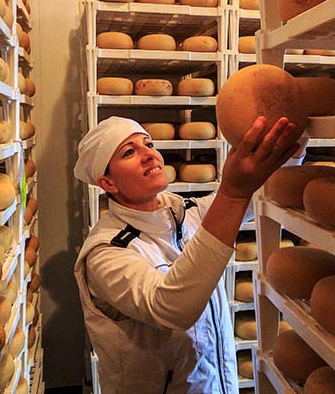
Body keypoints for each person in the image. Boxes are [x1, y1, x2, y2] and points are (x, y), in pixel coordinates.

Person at [73, 115, 306, 393]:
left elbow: (257, 199)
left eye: (148, 143)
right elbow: (171, 307)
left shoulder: (187, 212)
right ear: (108, 183)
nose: (148, 154)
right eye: (129, 152)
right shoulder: (106, 252)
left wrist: (293, 150)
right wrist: (231, 193)